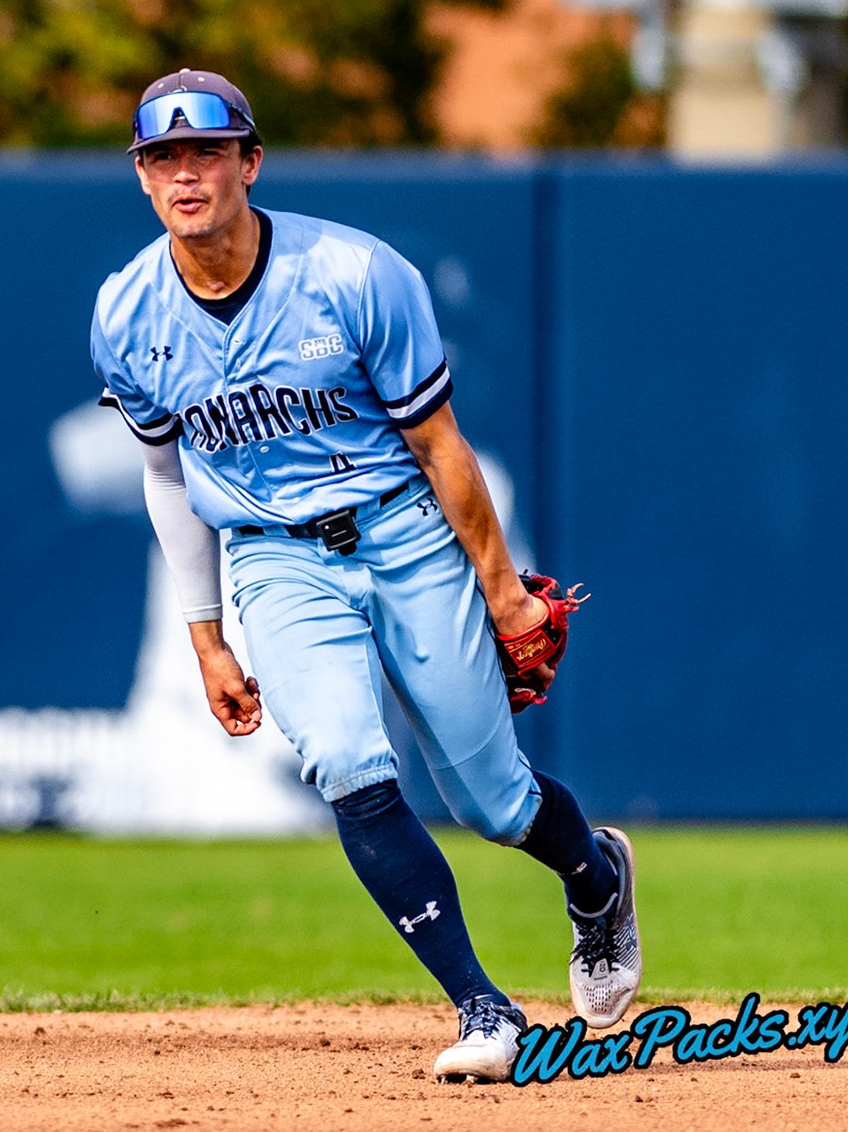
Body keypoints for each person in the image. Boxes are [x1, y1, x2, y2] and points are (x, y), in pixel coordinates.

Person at [89, 69, 640, 1081]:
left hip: (403, 532)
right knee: (346, 761)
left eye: (207, 150)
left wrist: (505, 587)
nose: (186, 172)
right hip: (273, 555)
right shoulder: (128, 314)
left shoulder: (353, 273)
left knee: (494, 800)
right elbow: (164, 473)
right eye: (163, 156)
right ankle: (483, 1006)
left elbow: (440, 444)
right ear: (141, 176)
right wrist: (207, 636)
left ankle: (596, 875)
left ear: (250, 163)